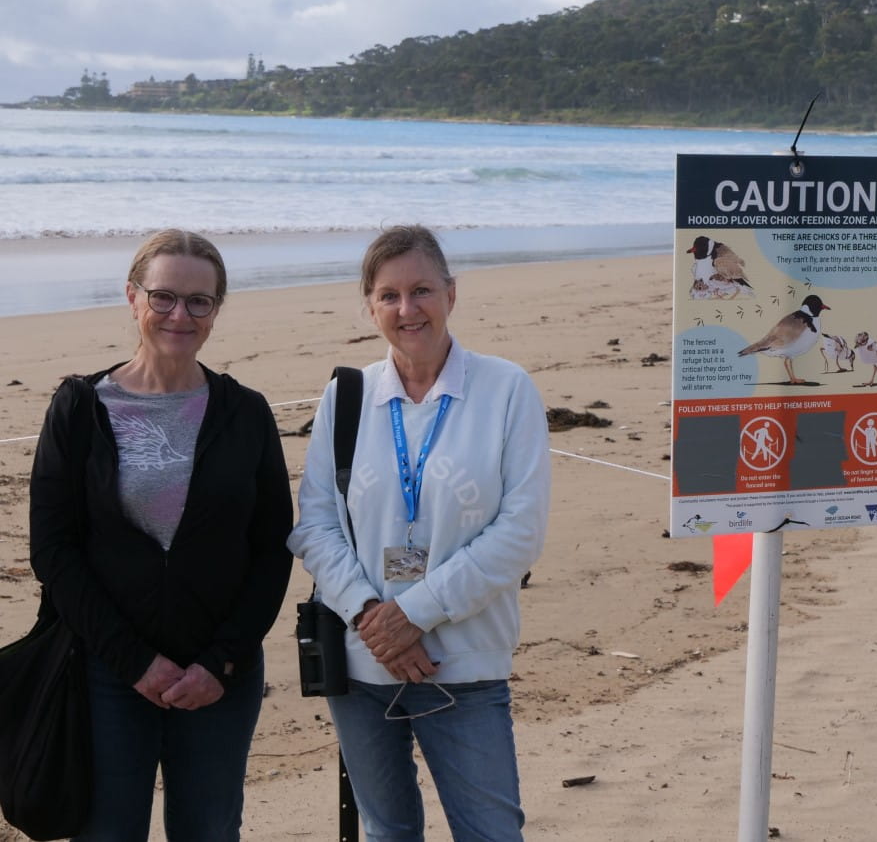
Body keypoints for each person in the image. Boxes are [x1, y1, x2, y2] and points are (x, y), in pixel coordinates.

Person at [28, 228, 295, 840]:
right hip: (105, 672)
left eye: (199, 300)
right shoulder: (77, 407)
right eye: (165, 296)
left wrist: (220, 661)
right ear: (132, 296)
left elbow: (272, 548)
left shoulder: (246, 411)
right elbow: (53, 550)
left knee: (208, 829)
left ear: (216, 310)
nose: (181, 314)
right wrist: (134, 662)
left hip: (218, 677)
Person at [288, 224, 550, 840]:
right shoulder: (346, 396)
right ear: (371, 306)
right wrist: (375, 617)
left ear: (452, 294)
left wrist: (416, 613)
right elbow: (317, 524)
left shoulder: (506, 389)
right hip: (360, 663)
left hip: (462, 665)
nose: (407, 309)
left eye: (422, 290)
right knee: (387, 832)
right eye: (389, 295)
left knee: (491, 830)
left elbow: (521, 533)